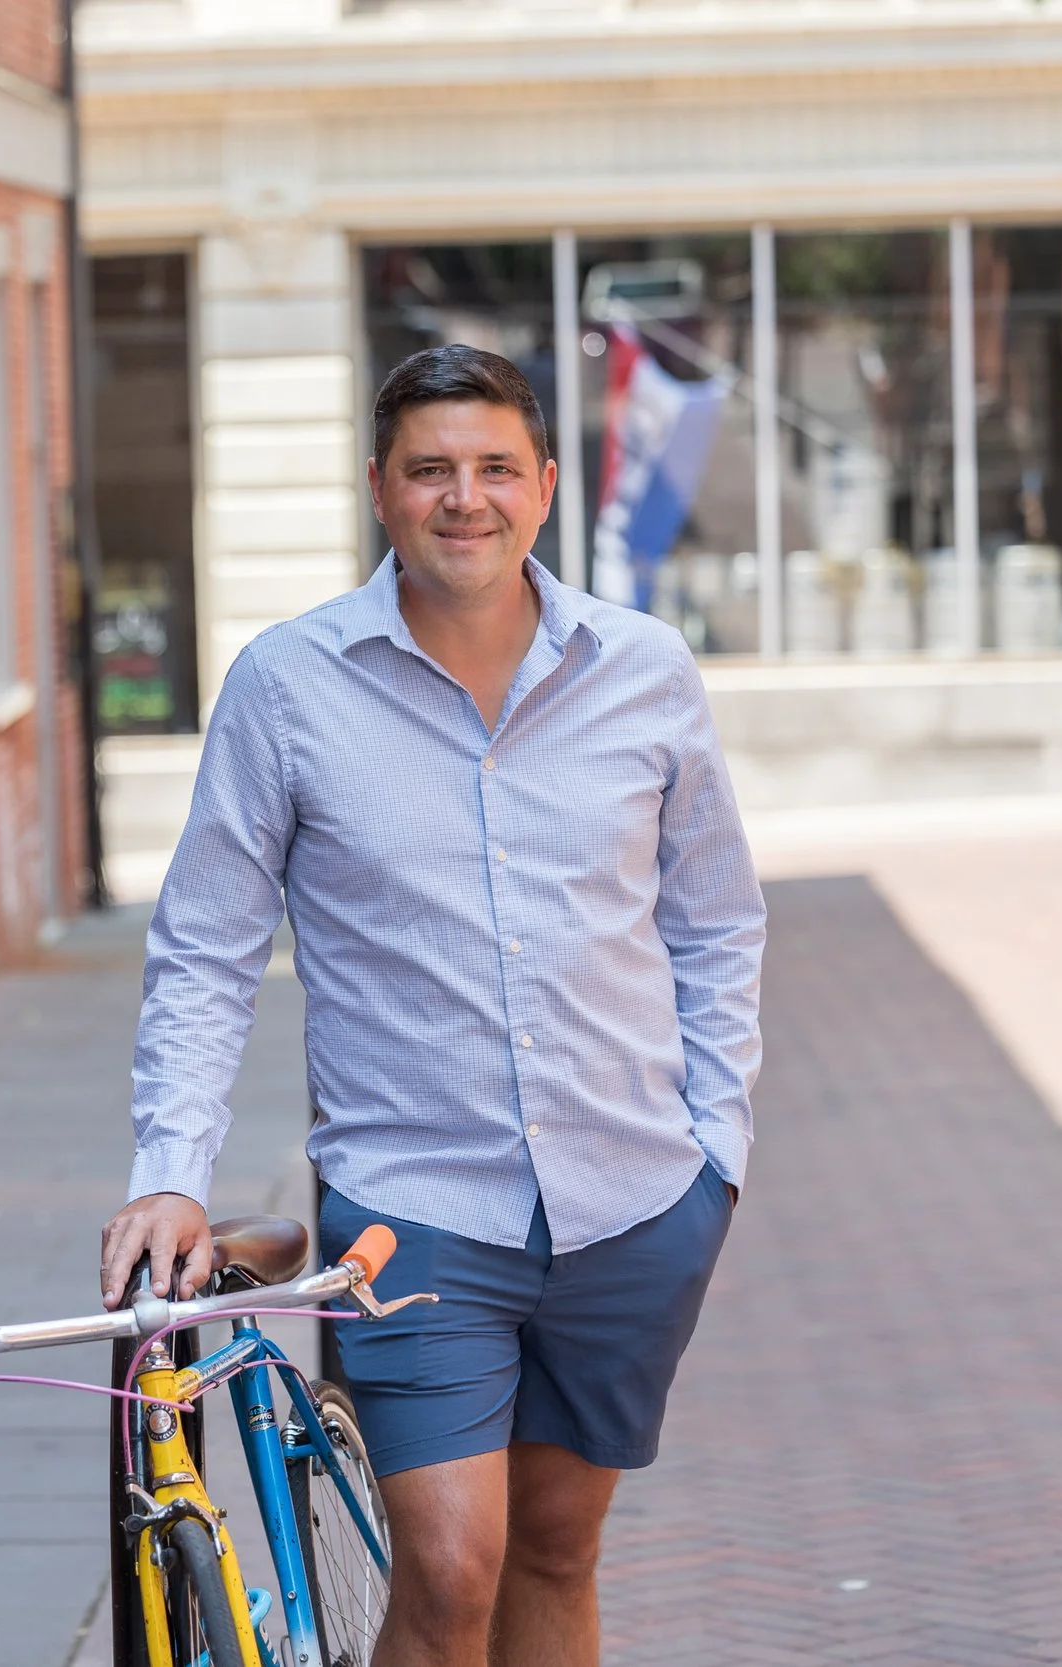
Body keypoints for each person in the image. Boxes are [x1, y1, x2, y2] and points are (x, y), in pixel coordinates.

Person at [100, 344, 766, 1667]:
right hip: (414, 1214)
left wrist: (715, 1151)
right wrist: (171, 1170)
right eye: (431, 471)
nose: (465, 497)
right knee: (454, 1569)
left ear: (546, 487)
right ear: (381, 491)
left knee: (558, 1550)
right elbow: (207, 949)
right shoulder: (288, 686)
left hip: (634, 1198)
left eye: (494, 469)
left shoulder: (645, 670)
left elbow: (715, 919)